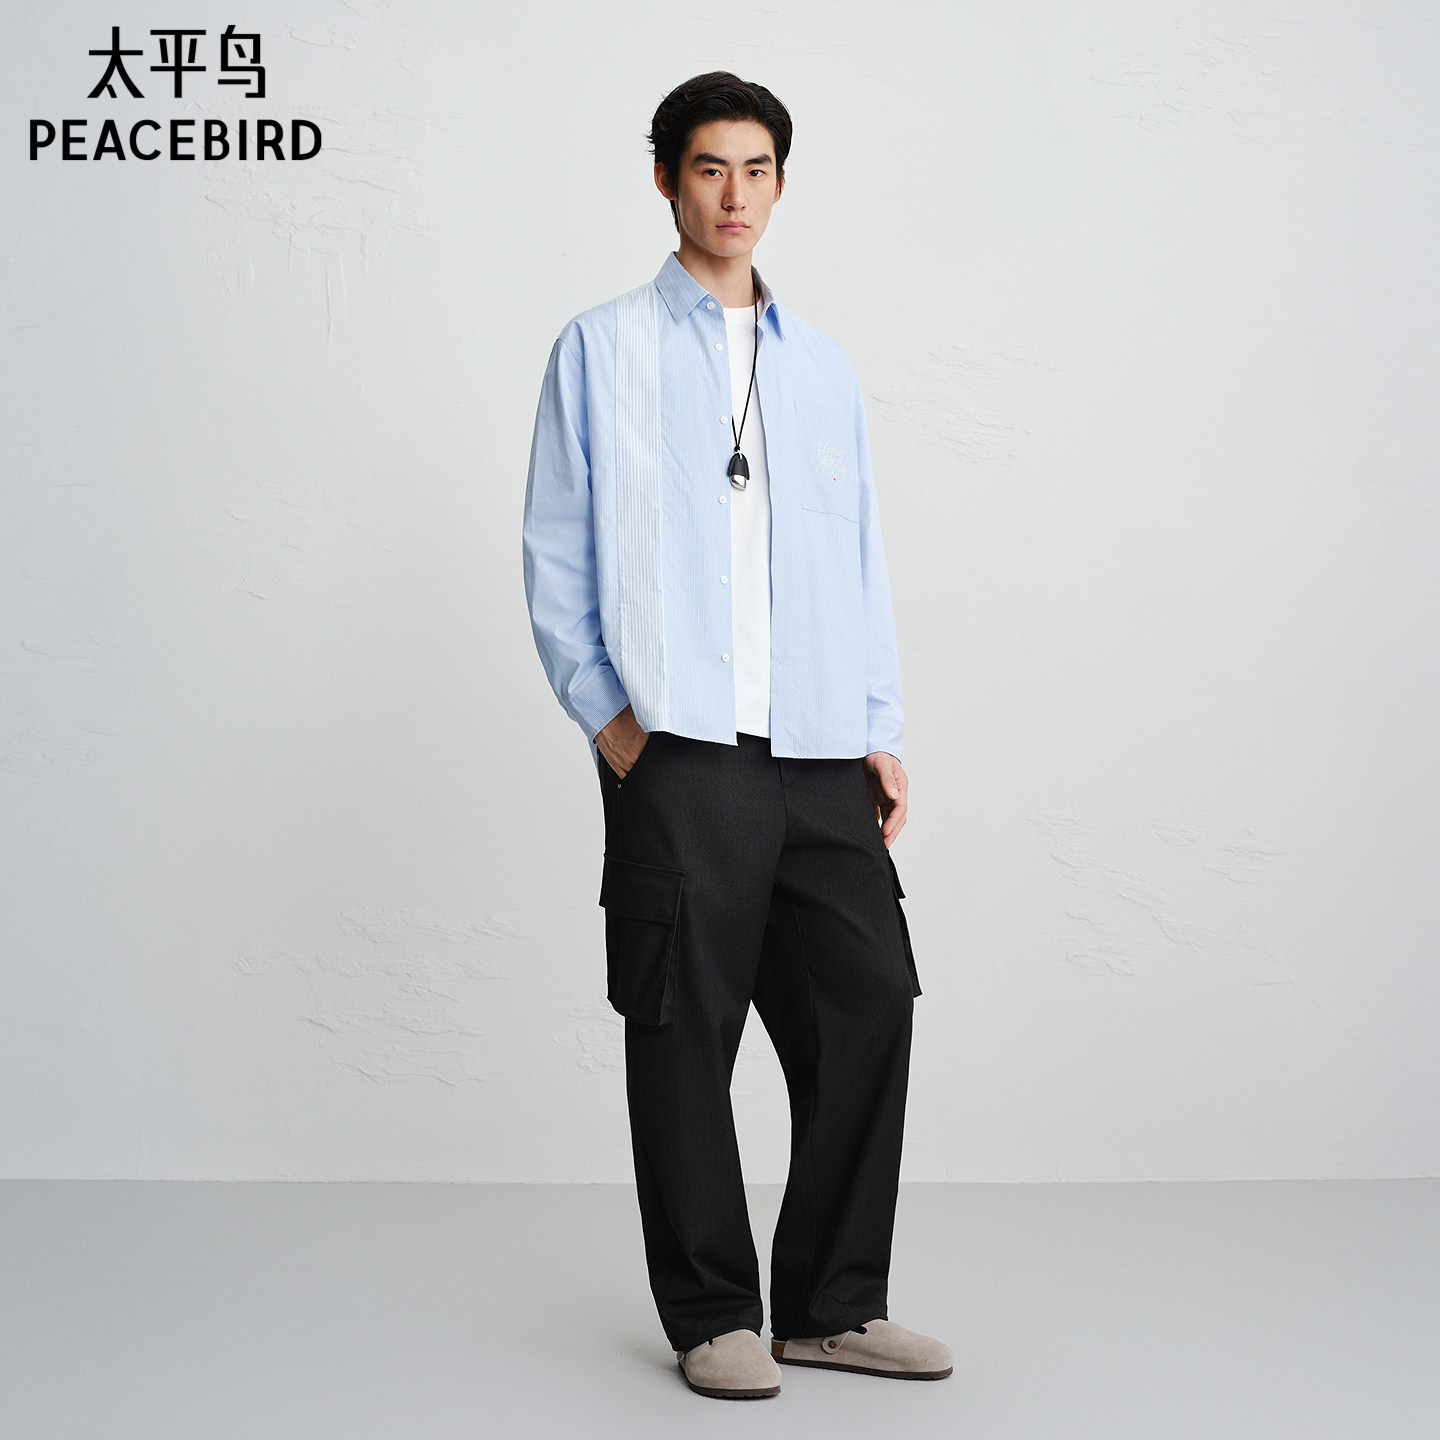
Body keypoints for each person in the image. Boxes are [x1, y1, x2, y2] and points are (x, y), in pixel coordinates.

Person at [521, 71, 953, 1400]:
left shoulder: (821, 367)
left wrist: (877, 727)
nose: (734, 196)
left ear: (779, 184)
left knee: (868, 998)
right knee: (683, 1024)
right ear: (668, 180)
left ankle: (831, 1305)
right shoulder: (600, 349)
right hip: (682, 746)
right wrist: (612, 722)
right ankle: (714, 1312)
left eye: (756, 170)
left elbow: (859, 556)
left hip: (819, 747)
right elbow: (555, 550)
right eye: (710, 168)